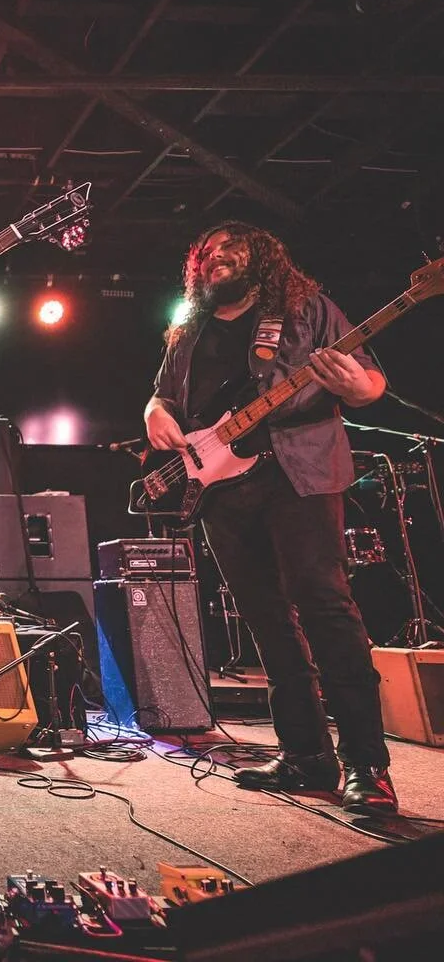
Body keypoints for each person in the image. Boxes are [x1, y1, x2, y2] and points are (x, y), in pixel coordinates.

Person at [144, 222, 396, 814]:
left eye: (231, 249)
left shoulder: (307, 310)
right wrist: (154, 411)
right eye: (206, 254)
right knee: (265, 618)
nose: (217, 259)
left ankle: (367, 763)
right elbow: (164, 396)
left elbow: (370, 380)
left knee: (325, 605)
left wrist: (358, 386)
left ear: (261, 258)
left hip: (299, 472)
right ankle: (305, 753)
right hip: (221, 490)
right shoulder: (188, 331)